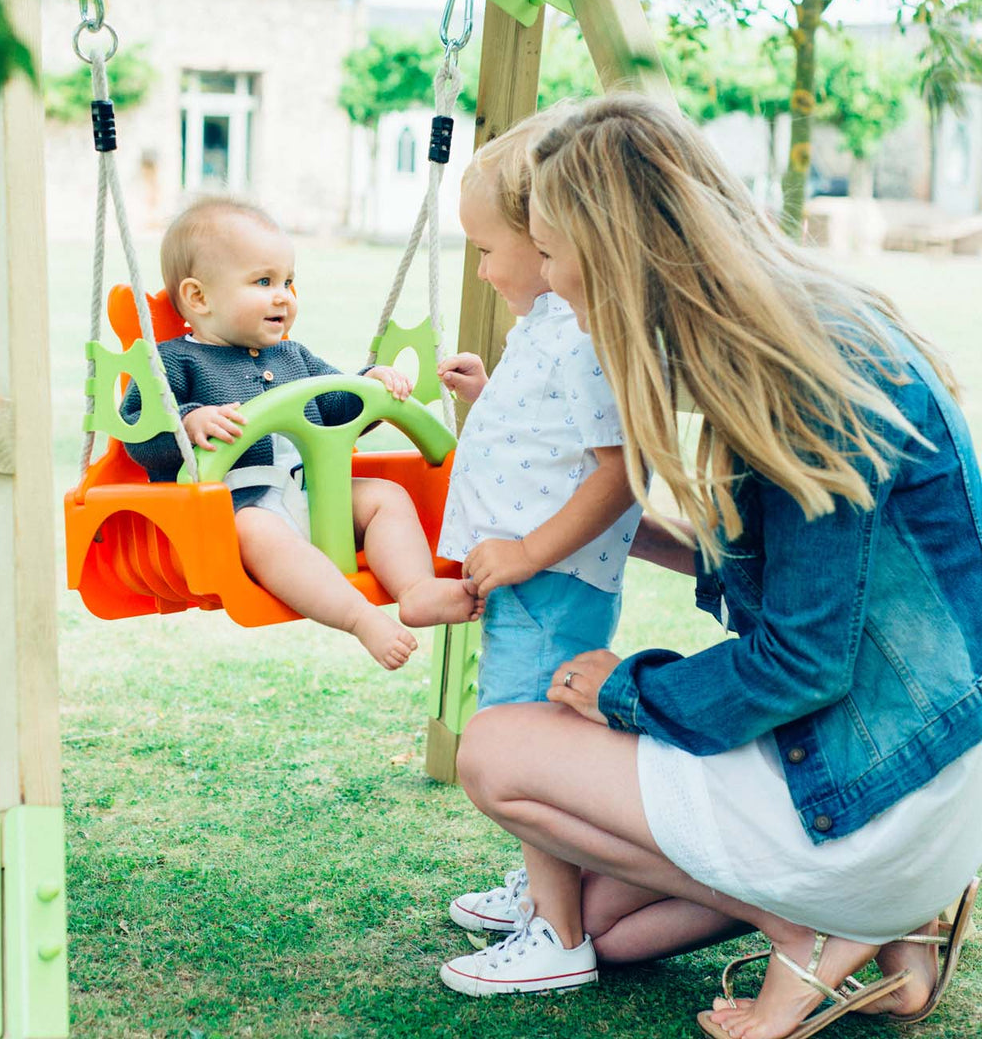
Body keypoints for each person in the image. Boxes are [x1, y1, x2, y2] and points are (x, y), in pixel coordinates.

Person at [438, 94, 982, 1039]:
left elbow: (805, 661)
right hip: (905, 773)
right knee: (605, 927)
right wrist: (634, 535)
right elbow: (819, 589)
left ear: (619, 251)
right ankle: (881, 926)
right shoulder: (800, 329)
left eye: (556, 248)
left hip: (874, 788)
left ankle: (812, 930)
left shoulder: (809, 379)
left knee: (495, 749)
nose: (550, 277)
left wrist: (625, 693)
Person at [434, 113, 640, 972]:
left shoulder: (582, 337)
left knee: (523, 742)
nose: (483, 268)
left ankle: (557, 935)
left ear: (544, 236)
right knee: (521, 728)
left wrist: (524, 553)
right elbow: (546, 444)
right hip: (533, 578)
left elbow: (617, 471)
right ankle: (539, 886)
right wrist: (487, 397)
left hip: (550, 580)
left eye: (487, 249)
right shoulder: (547, 328)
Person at [121, 197, 482, 670]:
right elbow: (138, 434)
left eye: (288, 281)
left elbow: (339, 407)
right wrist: (188, 421)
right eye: (263, 282)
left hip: (308, 491)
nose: (283, 296)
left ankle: (414, 590)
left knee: (384, 496)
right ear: (198, 297)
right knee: (255, 529)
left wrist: (369, 385)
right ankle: (360, 619)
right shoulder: (173, 361)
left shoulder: (294, 358)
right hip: (233, 509)